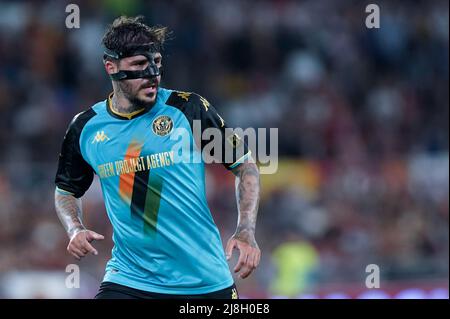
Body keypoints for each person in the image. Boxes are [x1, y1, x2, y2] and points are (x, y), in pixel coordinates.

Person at [54, 16, 260, 299]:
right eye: (139, 65)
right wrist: (74, 228)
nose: (152, 73)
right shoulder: (85, 127)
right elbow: (66, 190)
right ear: (110, 66)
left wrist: (245, 229)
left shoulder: (188, 109)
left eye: (157, 63)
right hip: (130, 279)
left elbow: (245, 165)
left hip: (203, 281)